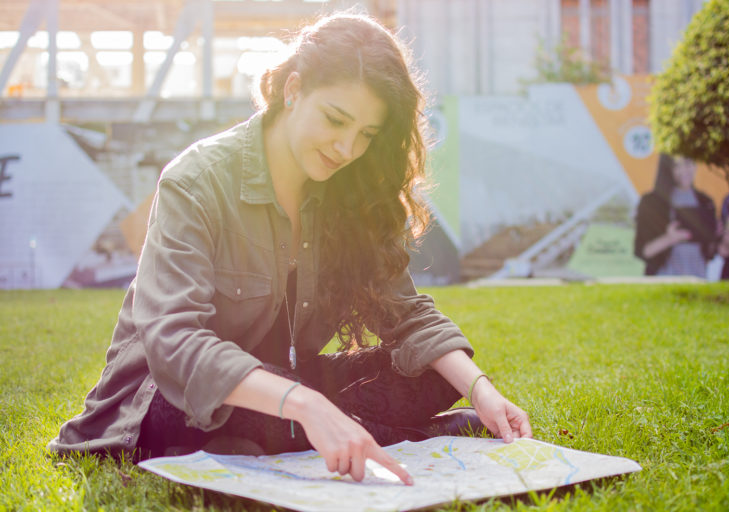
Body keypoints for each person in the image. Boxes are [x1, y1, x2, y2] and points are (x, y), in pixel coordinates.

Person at [48, 13, 531, 485]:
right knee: (267, 413)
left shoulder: (349, 189)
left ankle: (301, 436)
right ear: (293, 89)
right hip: (169, 395)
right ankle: (405, 438)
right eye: (335, 119)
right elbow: (175, 343)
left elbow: (410, 317)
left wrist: (480, 390)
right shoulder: (196, 180)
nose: (346, 149)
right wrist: (307, 403)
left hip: (288, 383)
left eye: (366, 135)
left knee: (437, 374)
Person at [634, 154, 717, 277]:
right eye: (677, 165)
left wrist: (716, 236)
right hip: (663, 278)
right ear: (667, 168)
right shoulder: (652, 202)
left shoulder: (705, 202)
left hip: (698, 276)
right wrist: (670, 238)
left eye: (688, 163)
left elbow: (710, 252)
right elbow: (643, 251)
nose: (684, 170)